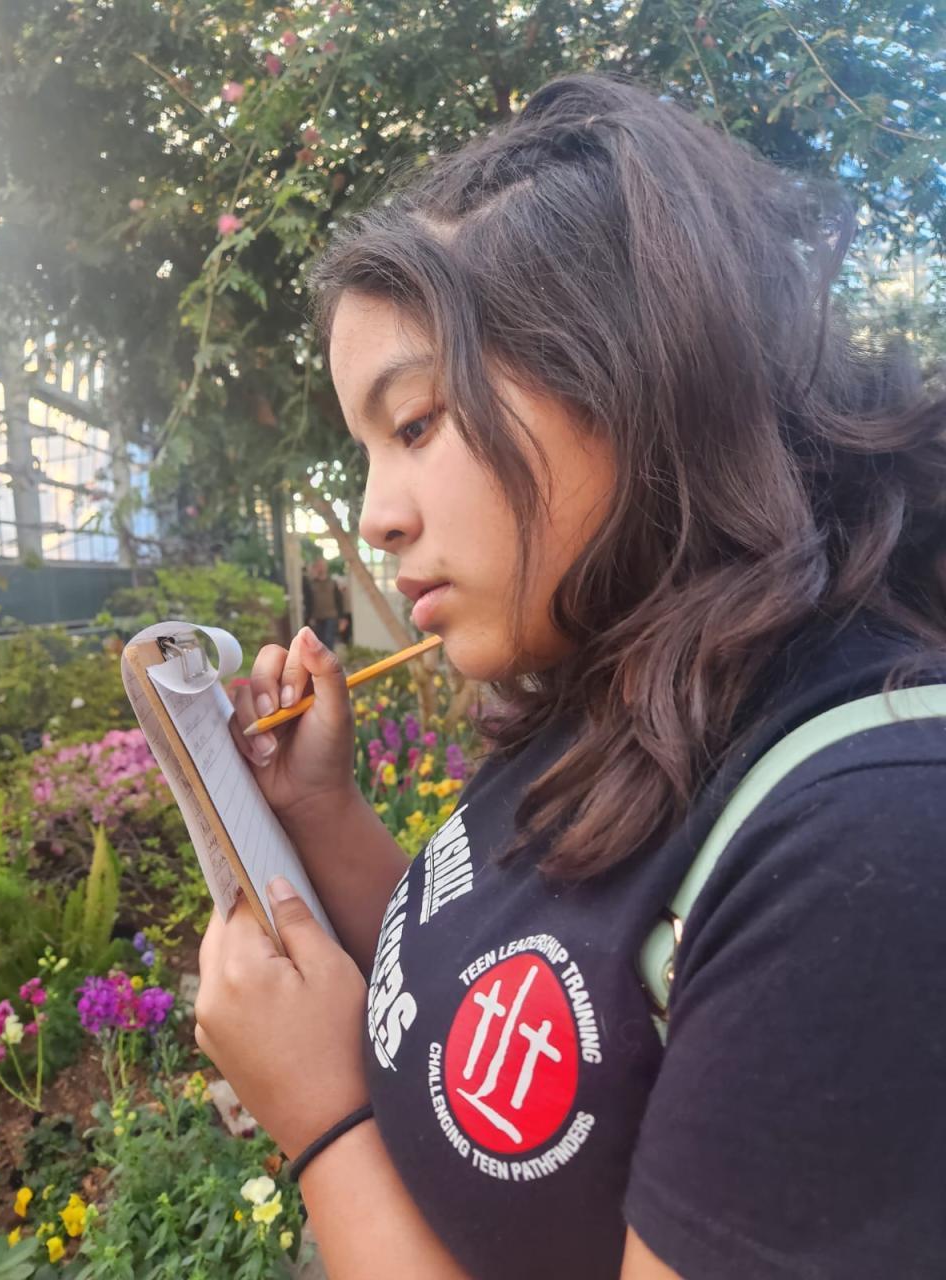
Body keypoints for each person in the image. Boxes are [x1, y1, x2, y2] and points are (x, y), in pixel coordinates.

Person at [196, 72, 946, 1279]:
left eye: (417, 421)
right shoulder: (624, 679)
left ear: (630, 371)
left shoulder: (868, 847)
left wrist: (325, 1127)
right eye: (368, 448)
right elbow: (484, 990)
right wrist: (320, 811)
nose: (378, 515)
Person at [301, 555, 343, 651]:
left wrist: (341, 617)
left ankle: (329, 658)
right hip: (317, 617)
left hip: (331, 616)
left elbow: (339, 600)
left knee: (329, 640)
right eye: (319, 566)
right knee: (319, 641)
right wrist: (309, 617)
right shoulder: (311, 584)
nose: (321, 568)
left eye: (323, 566)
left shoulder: (332, 583)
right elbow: (308, 602)